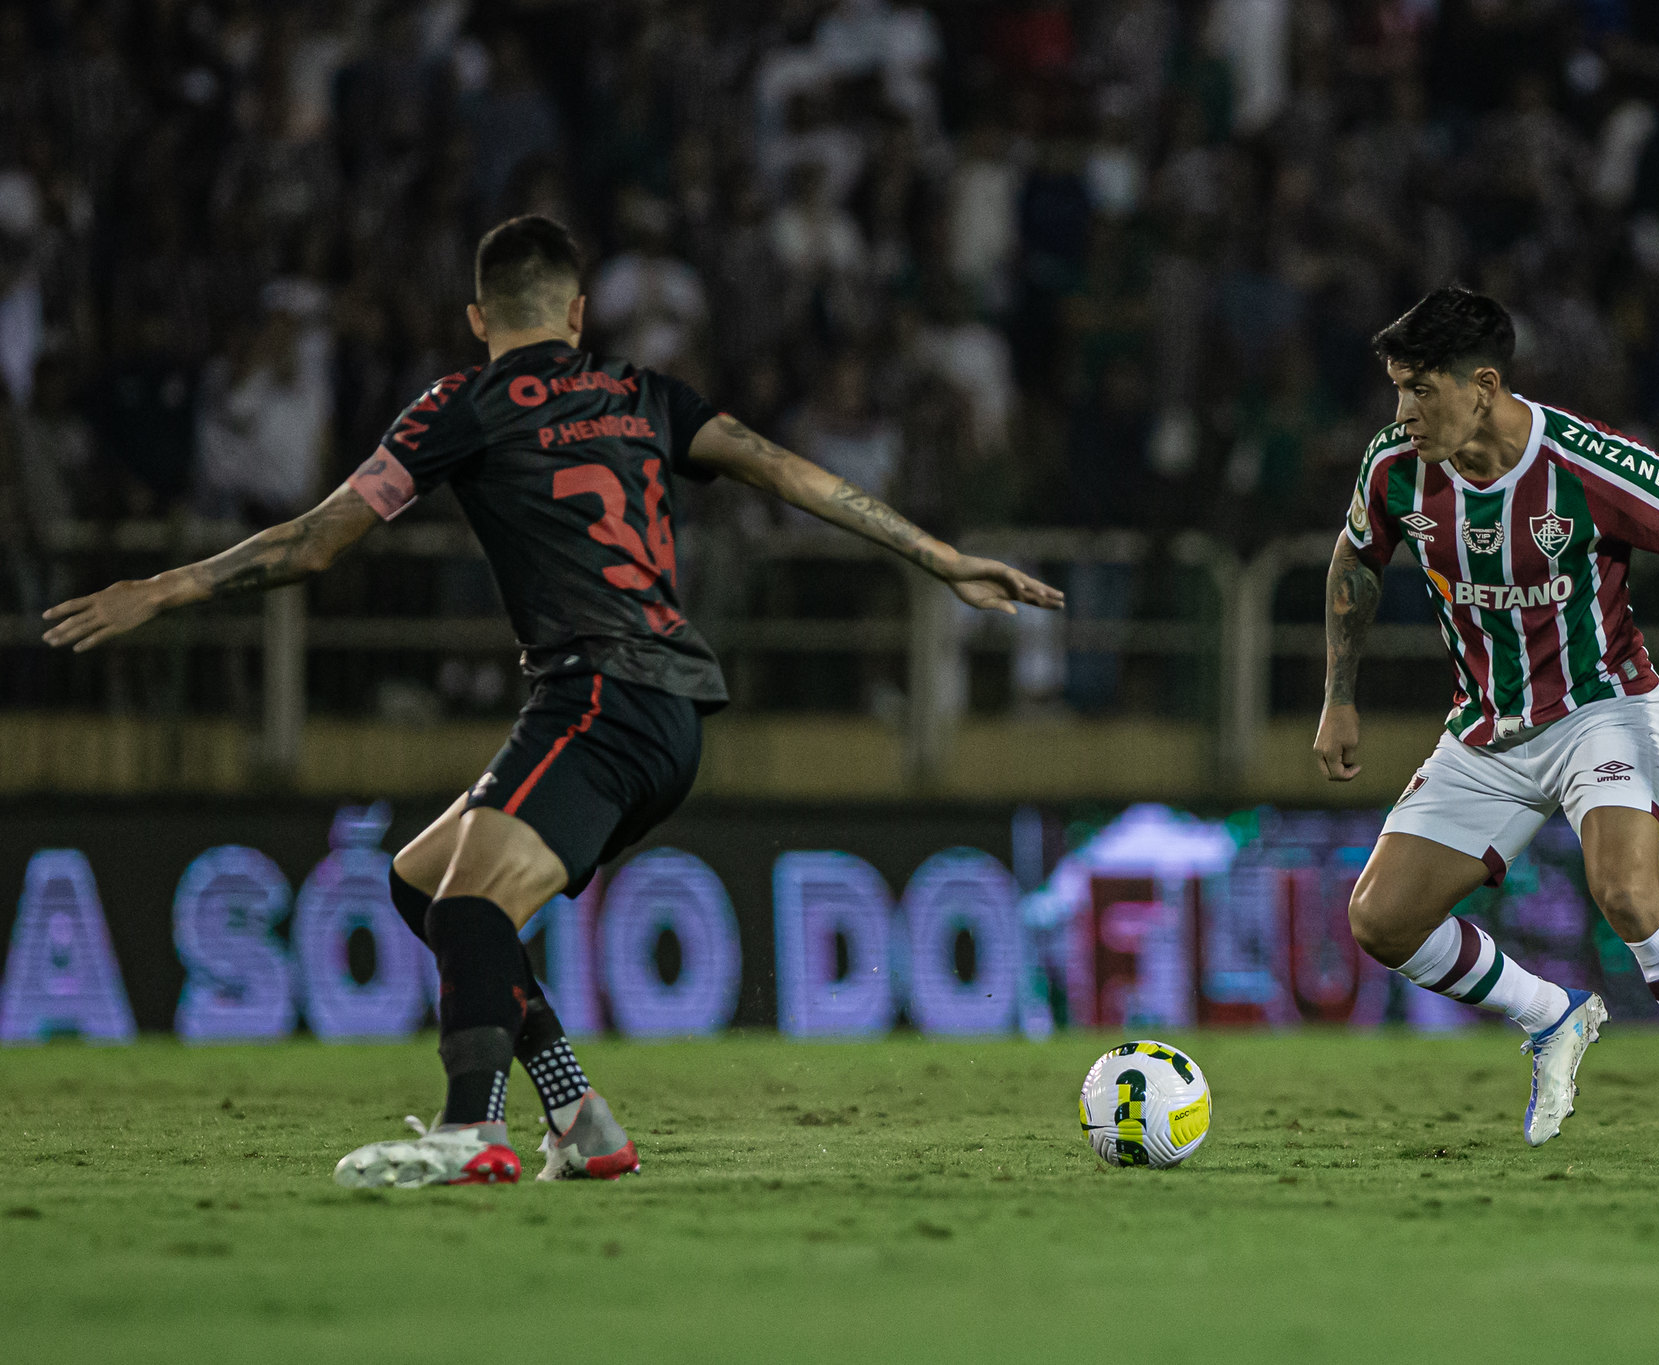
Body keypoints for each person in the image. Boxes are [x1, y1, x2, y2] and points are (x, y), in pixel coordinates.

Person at [42, 215, 1063, 1188]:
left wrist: (162, 587)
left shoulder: (461, 404)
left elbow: (316, 542)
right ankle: (578, 1118)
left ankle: (469, 1130)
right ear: (578, 313)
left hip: (595, 697)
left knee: (469, 905)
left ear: (479, 319)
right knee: (420, 884)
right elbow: (786, 472)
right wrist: (939, 557)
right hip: (665, 713)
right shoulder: (646, 391)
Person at [1312, 286, 1659, 1175]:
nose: (1403, 412)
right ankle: (1550, 1015)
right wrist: (1339, 693)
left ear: (1482, 386)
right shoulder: (1394, 468)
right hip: (1487, 729)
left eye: (1421, 390)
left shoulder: (1583, 464)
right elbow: (1355, 557)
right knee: (1379, 919)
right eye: (1397, 391)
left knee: (1628, 892)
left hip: (1602, 708)